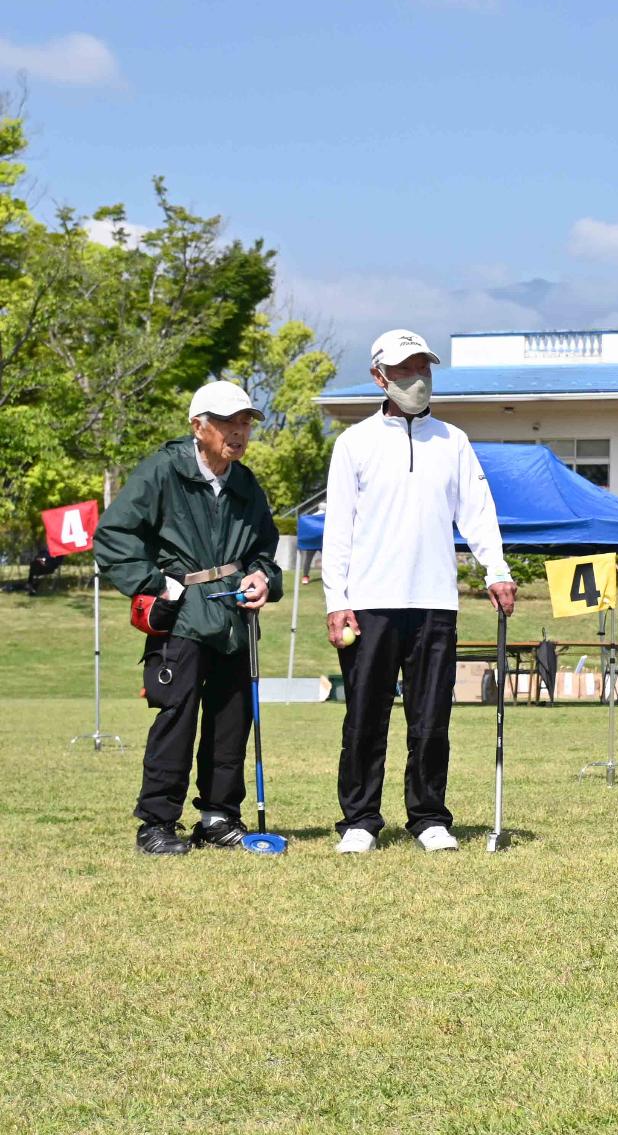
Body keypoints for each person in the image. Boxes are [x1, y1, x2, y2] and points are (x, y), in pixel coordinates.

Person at [321, 328, 516, 854]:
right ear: (379, 377)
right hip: (369, 601)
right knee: (365, 715)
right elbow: (338, 528)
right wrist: (335, 600)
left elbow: (478, 513)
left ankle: (429, 816)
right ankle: (360, 820)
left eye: (423, 368)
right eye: (405, 370)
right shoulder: (354, 443)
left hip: (434, 601)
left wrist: (495, 570)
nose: (417, 379)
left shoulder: (453, 441)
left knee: (431, 719)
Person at [96, 380, 284, 855]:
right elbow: (113, 535)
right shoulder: (162, 470)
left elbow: (264, 549)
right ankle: (157, 823)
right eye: (226, 422)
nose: (238, 432)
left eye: (245, 422)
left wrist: (263, 578)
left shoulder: (245, 483)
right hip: (180, 617)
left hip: (234, 617)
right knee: (176, 717)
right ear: (198, 427)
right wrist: (155, 585)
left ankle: (218, 818)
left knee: (231, 718)